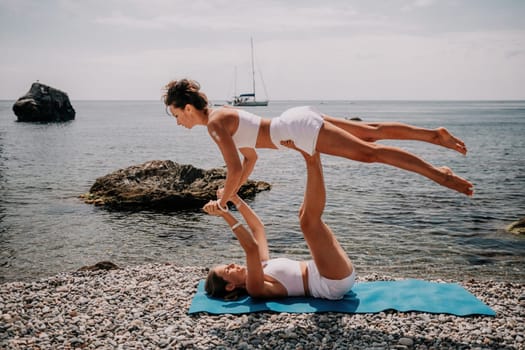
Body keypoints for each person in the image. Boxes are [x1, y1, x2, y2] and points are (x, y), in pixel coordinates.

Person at [163, 79, 473, 211]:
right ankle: (434, 135)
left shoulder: (215, 125)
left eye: (177, 115)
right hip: (295, 118)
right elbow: (249, 161)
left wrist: (223, 200)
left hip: (297, 129)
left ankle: (439, 175)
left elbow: (232, 168)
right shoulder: (221, 115)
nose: (178, 122)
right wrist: (231, 190)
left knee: (369, 153)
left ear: (188, 108)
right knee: (371, 131)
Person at [203, 142, 354, 300]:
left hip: (326, 270)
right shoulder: (255, 287)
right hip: (330, 282)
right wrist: (225, 214)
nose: (232, 264)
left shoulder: (260, 267)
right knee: (309, 223)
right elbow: (251, 248)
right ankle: (311, 155)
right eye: (228, 270)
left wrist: (235, 199)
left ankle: (312, 154)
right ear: (230, 286)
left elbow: (257, 228)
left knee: (304, 215)